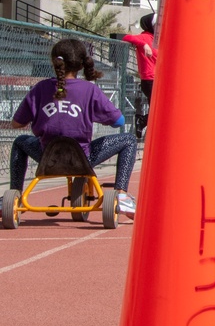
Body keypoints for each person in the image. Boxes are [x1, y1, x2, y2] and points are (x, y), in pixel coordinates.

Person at [7, 37, 138, 216]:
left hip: (46, 157)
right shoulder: (89, 90)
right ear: (82, 64)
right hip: (83, 158)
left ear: (55, 62)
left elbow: (16, 123)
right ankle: (121, 194)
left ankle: (16, 194)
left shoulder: (40, 88)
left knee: (21, 141)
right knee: (129, 140)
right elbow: (119, 121)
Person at [120, 13, 157, 138]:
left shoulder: (156, 39)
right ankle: (142, 121)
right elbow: (126, 37)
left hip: (158, 79)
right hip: (149, 79)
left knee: (158, 108)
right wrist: (143, 44)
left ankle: (143, 120)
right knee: (158, 108)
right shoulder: (145, 37)